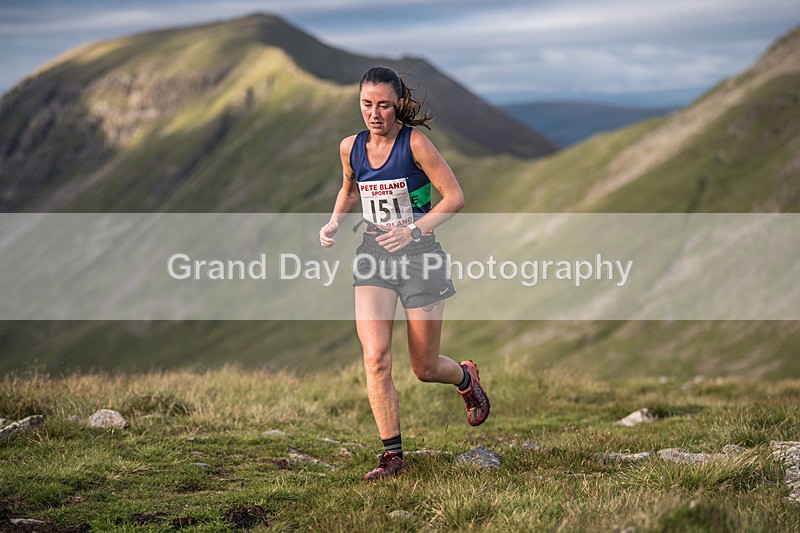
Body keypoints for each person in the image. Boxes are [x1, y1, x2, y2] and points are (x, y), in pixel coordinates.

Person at [319, 66, 490, 480]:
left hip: (421, 258)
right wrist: (334, 223)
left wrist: (412, 230)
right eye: (366, 105)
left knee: (424, 367)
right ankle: (392, 457)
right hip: (373, 256)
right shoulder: (350, 147)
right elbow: (349, 188)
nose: (374, 114)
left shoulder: (415, 144)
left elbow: (455, 198)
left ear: (398, 105)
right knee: (376, 358)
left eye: (383, 105)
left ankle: (465, 377)